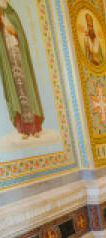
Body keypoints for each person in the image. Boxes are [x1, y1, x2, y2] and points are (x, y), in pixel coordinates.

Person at [0, 0, 45, 138]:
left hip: (18, 54)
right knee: (17, 90)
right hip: (9, 57)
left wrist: (8, 26)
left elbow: (17, 33)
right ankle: (24, 130)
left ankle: (35, 129)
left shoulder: (12, 14)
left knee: (26, 88)